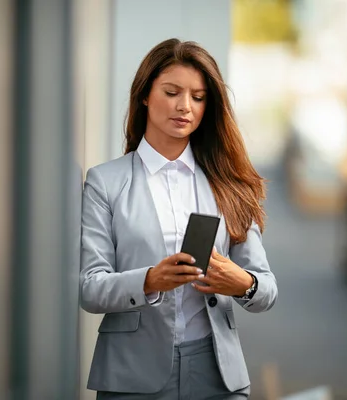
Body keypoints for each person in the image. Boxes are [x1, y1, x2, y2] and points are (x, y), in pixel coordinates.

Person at [79, 38, 278, 399]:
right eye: (172, 92)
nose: (185, 106)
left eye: (199, 97)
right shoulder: (105, 182)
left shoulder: (227, 182)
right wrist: (150, 280)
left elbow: (266, 290)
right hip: (131, 373)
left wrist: (242, 282)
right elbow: (90, 288)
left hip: (217, 374)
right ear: (144, 94)